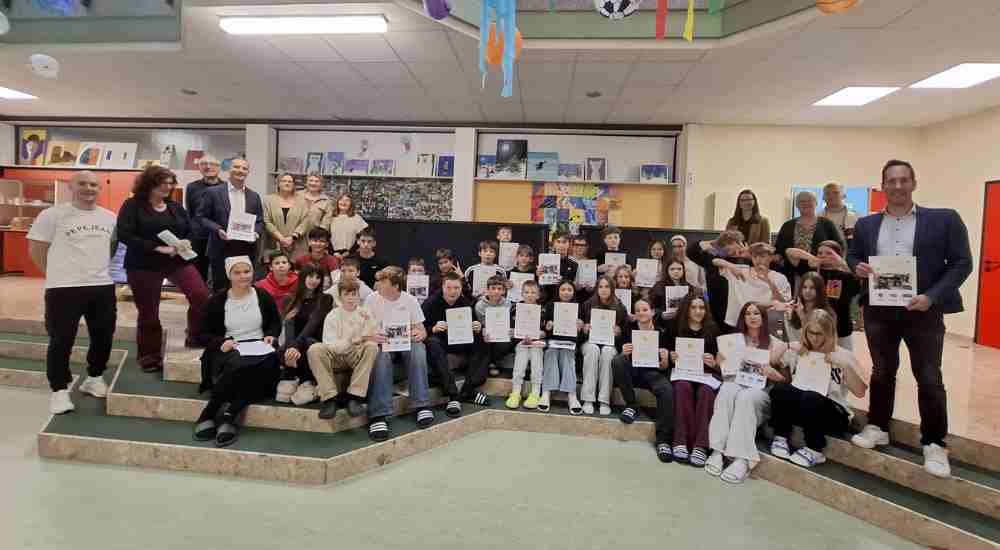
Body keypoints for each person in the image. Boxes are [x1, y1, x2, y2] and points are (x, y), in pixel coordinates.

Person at [847, 159, 972, 479]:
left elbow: (961, 263)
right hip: (879, 311)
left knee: (929, 376)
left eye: (904, 180)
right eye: (892, 181)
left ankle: (933, 442)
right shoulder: (866, 225)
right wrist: (856, 266)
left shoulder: (943, 220)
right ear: (883, 185)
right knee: (882, 371)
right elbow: (854, 256)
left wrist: (931, 296)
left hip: (924, 311)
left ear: (913, 183)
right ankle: (877, 426)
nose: (898, 186)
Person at [27, 171, 117, 415]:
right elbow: (36, 249)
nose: (89, 188)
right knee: (61, 340)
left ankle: (94, 378)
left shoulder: (110, 217)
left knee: (103, 336)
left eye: (94, 185)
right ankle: (58, 391)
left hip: (101, 286)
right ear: (71, 187)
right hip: (63, 288)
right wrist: (53, 275)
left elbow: (112, 249)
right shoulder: (52, 215)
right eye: (83, 184)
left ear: (100, 189)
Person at [116, 166, 209, 372]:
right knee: (149, 311)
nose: (168, 187)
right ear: (149, 183)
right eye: (163, 182)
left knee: (201, 294)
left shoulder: (175, 207)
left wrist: (187, 241)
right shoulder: (132, 206)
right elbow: (125, 235)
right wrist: (157, 247)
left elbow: (191, 229)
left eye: (170, 183)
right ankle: (149, 357)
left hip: (176, 261)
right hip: (143, 265)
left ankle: (195, 335)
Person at [193, 256, 282, 448]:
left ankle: (226, 414)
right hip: (230, 347)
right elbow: (200, 334)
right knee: (240, 365)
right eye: (237, 272)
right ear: (229, 275)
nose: (243, 276)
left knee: (269, 361)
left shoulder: (263, 296)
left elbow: (275, 322)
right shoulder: (217, 301)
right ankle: (218, 413)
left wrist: (270, 335)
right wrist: (220, 342)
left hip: (259, 346)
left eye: (247, 271)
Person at [769, 310, 868, 468]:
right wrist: (786, 345)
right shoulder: (801, 350)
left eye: (819, 334)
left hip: (833, 413)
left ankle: (815, 449)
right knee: (781, 390)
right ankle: (781, 436)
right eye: (810, 333)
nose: (814, 338)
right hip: (804, 410)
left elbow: (860, 392)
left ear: (829, 333)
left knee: (811, 397)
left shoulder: (843, 354)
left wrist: (844, 365)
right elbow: (772, 361)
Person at [706, 302, 789, 484]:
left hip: (760, 391)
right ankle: (718, 451)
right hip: (735, 384)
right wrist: (720, 363)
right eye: (748, 313)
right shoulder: (733, 340)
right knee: (727, 390)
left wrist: (773, 373)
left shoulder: (777, 344)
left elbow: (786, 381)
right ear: (743, 318)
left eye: (756, 313)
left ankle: (742, 459)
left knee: (746, 396)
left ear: (763, 318)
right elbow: (725, 372)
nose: (752, 317)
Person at [365, 266, 436, 441]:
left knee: (418, 348)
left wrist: (420, 334)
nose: (378, 285)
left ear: (396, 286)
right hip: (382, 344)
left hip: (404, 343)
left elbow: (421, 330)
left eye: (383, 282)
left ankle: (421, 405)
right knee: (380, 356)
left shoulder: (409, 300)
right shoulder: (371, 299)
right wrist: (372, 336)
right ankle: (379, 414)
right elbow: (364, 329)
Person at [307, 278, 379, 419]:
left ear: (359, 296)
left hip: (355, 356)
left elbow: (372, 337)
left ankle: (355, 397)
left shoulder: (365, 313)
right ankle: (329, 399)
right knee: (314, 349)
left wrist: (367, 326)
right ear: (340, 297)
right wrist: (352, 339)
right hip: (336, 357)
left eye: (354, 294)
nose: (351, 298)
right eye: (347, 294)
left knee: (371, 347)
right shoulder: (333, 315)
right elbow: (331, 346)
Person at [612, 299, 674, 462]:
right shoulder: (629, 330)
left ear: (652, 312)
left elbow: (665, 366)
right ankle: (632, 405)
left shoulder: (663, 332)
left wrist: (665, 361)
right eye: (638, 310)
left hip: (653, 374)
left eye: (645, 309)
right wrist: (623, 351)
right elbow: (621, 350)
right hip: (633, 371)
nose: (641, 313)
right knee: (618, 360)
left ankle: (663, 440)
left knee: (667, 390)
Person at [422, 271, 488, 417]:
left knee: (482, 341)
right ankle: (452, 395)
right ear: (443, 287)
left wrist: (477, 327)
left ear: (461, 288)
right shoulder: (430, 303)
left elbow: (473, 324)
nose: (453, 291)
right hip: (440, 340)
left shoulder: (464, 302)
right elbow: (419, 328)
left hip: (459, 340)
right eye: (449, 288)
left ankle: (468, 389)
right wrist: (432, 328)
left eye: (456, 288)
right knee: (432, 343)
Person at [196, 158, 264, 291]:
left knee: (243, 288)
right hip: (221, 248)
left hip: (246, 249)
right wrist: (218, 230)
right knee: (220, 290)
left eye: (244, 168)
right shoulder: (213, 192)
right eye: (237, 167)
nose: (240, 171)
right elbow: (201, 217)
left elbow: (260, 220)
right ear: (229, 169)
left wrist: (256, 232)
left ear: (248, 172)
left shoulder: (254, 196)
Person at [669, 294, 720, 467]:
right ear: (686, 309)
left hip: (706, 372)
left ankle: (700, 445)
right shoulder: (676, 326)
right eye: (693, 307)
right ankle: (680, 441)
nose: (698, 311)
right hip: (682, 371)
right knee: (682, 387)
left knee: (706, 391)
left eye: (701, 308)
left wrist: (713, 362)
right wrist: (671, 356)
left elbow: (720, 361)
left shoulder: (713, 329)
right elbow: (667, 353)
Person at [274, 264, 327, 405]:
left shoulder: (325, 299)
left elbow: (313, 324)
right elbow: (289, 326)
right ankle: (291, 378)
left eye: (318, 277)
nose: (314, 280)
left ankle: (308, 382)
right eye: (311, 276)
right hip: (295, 344)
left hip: (314, 341)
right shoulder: (289, 299)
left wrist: (295, 346)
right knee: (282, 348)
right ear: (303, 277)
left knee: (308, 343)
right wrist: (291, 346)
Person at [712, 242, 792, 331]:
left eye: (762, 256)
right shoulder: (741, 270)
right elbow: (715, 261)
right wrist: (731, 266)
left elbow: (784, 303)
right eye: (755, 257)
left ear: (770, 258)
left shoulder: (780, 277)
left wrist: (769, 282)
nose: (758, 260)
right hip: (741, 323)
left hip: (769, 325)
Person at [580, 276, 628, 416]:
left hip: (610, 344)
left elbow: (625, 336)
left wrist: (618, 333)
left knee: (607, 353)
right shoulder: (587, 304)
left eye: (607, 287)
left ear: (612, 289)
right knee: (593, 350)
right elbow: (579, 331)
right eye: (600, 286)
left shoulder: (620, 307)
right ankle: (588, 399)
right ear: (596, 288)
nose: (604, 290)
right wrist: (584, 329)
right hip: (590, 342)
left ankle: (604, 400)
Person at [774, 191, 845, 284]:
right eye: (802, 201)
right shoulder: (788, 225)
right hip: (793, 272)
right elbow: (779, 248)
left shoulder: (827, 223)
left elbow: (839, 246)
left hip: (820, 271)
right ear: (797, 205)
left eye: (809, 200)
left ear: (816, 203)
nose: (806, 203)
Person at [686, 230, 750, 329]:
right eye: (729, 245)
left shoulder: (745, 260)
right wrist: (715, 242)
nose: (734, 249)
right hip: (717, 311)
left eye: (737, 244)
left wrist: (747, 256)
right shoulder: (712, 258)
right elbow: (691, 251)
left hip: (739, 310)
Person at [541, 279, 583, 414]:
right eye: (563, 289)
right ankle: (546, 392)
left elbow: (582, 335)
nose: (566, 292)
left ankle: (572, 394)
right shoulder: (550, 305)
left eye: (569, 290)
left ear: (573, 292)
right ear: (558, 291)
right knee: (550, 352)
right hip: (553, 341)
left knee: (567, 354)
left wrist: (580, 328)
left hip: (570, 343)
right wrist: (548, 326)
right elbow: (545, 329)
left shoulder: (578, 307)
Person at [505, 280, 545, 410]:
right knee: (520, 364)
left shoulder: (542, 309)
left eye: (533, 292)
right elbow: (511, 328)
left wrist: (539, 334)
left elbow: (545, 331)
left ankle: (535, 393)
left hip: (536, 343)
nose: (530, 295)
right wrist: (512, 332)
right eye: (526, 292)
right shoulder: (516, 308)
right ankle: (516, 392)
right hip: (521, 342)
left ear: (538, 295)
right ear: (521, 294)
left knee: (536, 361)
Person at [185, 154, 224, 282]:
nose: (208, 167)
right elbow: (190, 213)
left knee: (220, 274)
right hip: (199, 237)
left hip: (220, 237)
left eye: (212, 164)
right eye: (204, 164)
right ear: (199, 168)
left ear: (219, 168)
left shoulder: (227, 188)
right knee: (198, 274)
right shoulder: (191, 187)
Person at [473, 275, 516, 380]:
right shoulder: (480, 306)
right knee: (483, 342)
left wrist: (510, 331)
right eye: (493, 288)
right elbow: (480, 325)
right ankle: (485, 366)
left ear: (504, 291)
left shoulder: (508, 303)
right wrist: (484, 333)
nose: (496, 291)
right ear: (487, 290)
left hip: (502, 334)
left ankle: (492, 362)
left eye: (499, 289)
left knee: (506, 343)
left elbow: (509, 323)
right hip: (485, 334)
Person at [263, 173, 310, 262]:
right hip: (274, 244)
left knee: (297, 272)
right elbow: (267, 221)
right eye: (284, 181)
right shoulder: (268, 200)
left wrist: (292, 237)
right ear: (278, 183)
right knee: (276, 271)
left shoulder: (302, 200)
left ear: (293, 185)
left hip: (297, 244)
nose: (287, 183)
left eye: (290, 181)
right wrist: (281, 238)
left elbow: (305, 221)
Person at [784, 271, 834, 344]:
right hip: (795, 352)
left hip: (816, 353)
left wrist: (802, 316)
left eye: (812, 288)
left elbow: (814, 339)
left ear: (819, 290)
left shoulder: (827, 314)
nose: (807, 291)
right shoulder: (793, 309)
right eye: (804, 287)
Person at [255, 251, 299, 315]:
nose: (281, 265)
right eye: (277, 263)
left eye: (284, 262)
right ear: (270, 267)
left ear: (289, 265)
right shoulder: (260, 285)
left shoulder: (299, 281)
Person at [328, 193, 367, 258]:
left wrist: (349, 252)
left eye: (347, 200)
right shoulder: (330, 217)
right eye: (341, 200)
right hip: (332, 255)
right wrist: (333, 252)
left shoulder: (357, 218)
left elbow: (362, 236)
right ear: (337, 202)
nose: (344, 202)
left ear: (351, 204)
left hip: (351, 255)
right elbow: (325, 236)